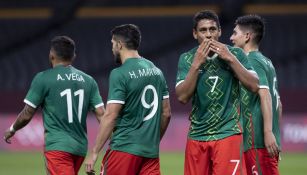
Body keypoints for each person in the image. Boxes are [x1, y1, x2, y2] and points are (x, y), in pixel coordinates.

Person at [3, 36, 105, 175]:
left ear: (51, 55)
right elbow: (101, 114)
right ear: (73, 56)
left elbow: (27, 114)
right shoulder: (89, 80)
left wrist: (13, 128)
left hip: (58, 146)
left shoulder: (43, 78)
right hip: (80, 148)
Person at [176, 10, 259, 175]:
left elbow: (254, 85)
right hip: (197, 135)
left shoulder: (236, 54)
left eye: (212, 29)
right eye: (203, 30)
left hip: (227, 133)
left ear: (219, 31)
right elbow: (182, 97)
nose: (208, 35)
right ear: (195, 34)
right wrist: (196, 64)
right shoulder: (186, 58)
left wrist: (230, 59)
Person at [84, 24, 171, 175]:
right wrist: (153, 142)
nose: (112, 48)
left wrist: (94, 152)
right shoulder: (157, 71)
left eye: (112, 44)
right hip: (150, 153)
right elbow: (166, 113)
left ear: (119, 44)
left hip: (124, 149)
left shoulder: (120, 73)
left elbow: (111, 115)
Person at [230, 14, 282, 175]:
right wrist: (275, 135)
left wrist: (267, 133)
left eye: (235, 33)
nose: (231, 38)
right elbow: (278, 104)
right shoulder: (267, 61)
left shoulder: (252, 61)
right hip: (262, 141)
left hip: (257, 140)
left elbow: (265, 95)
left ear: (247, 36)